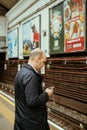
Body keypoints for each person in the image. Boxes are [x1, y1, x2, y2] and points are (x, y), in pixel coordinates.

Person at [14, 48, 53, 130]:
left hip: (21, 120)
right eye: (43, 62)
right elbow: (32, 101)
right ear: (37, 59)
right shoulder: (31, 76)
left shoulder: (21, 72)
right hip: (32, 124)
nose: (43, 65)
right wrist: (46, 94)